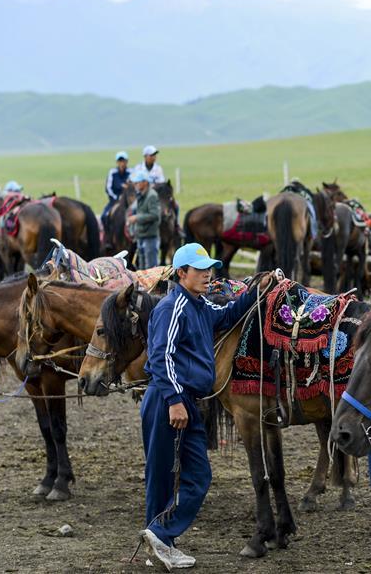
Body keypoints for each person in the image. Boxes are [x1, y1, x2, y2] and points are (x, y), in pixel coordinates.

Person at [140, 243, 271, 570]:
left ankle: (159, 535)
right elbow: (161, 357)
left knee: (197, 474)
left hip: (185, 401)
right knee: (162, 475)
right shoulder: (172, 308)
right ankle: (162, 542)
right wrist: (173, 400)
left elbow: (227, 314)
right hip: (168, 400)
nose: (207, 274)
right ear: (181, 273)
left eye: (209, 268)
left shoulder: (199, 305)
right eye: (199, 270)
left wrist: (257, 291)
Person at [128, 171, 160, 269]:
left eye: (138, 182)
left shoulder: (152, 196)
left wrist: (137, 218)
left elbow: (155, 215)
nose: (135, 184)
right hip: (141, 236)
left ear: (145, 182)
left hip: (149, 237)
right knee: (141, 268)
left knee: (150, 269)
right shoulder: (141, 195)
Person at [102, 151, 131, 228]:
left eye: (124, 161)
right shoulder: (112, 172)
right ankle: (107, 235)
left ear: (127, 162)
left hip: (129, 201)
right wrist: (116, 198)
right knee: (104, 216)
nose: (122, 163)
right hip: (115, 200)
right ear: (117, 162)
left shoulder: (131, 172)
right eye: (120, 161)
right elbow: (108, 188)